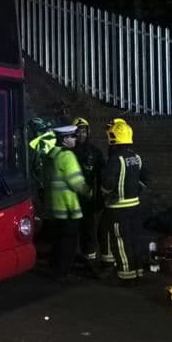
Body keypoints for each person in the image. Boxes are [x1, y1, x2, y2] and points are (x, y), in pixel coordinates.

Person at [99, 118, 149, 284]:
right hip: (135, 206)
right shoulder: (137, 157)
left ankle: (126, 275)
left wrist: (104, 192)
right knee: (135, 239)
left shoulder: (115, 160)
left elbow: (107, 184)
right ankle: (138, 271)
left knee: (120, 241)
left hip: (118, 209)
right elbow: (145, 181)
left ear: (114, 139)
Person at [47, 124, 92, 282]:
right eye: (72, 136)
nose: (75, 139)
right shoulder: (67, 156)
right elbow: (76, 182)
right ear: (65, 140)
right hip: (68, 208)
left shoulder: (53, 154)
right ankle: (63, 273)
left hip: (55, 207)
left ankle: (54, 269)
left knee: (58, 241)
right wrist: (89, 192)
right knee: (68, 244)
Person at [71, 117, 105, 273]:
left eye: (84, 131)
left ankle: (89, 260)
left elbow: (102, 176)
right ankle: (71, 259)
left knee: (89, 230)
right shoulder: (68, 152)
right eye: (78, 131)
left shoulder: (95, 152)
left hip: (88, 200)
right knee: (71, 231)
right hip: (71, 200)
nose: (81, 134)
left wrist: (99, 197)